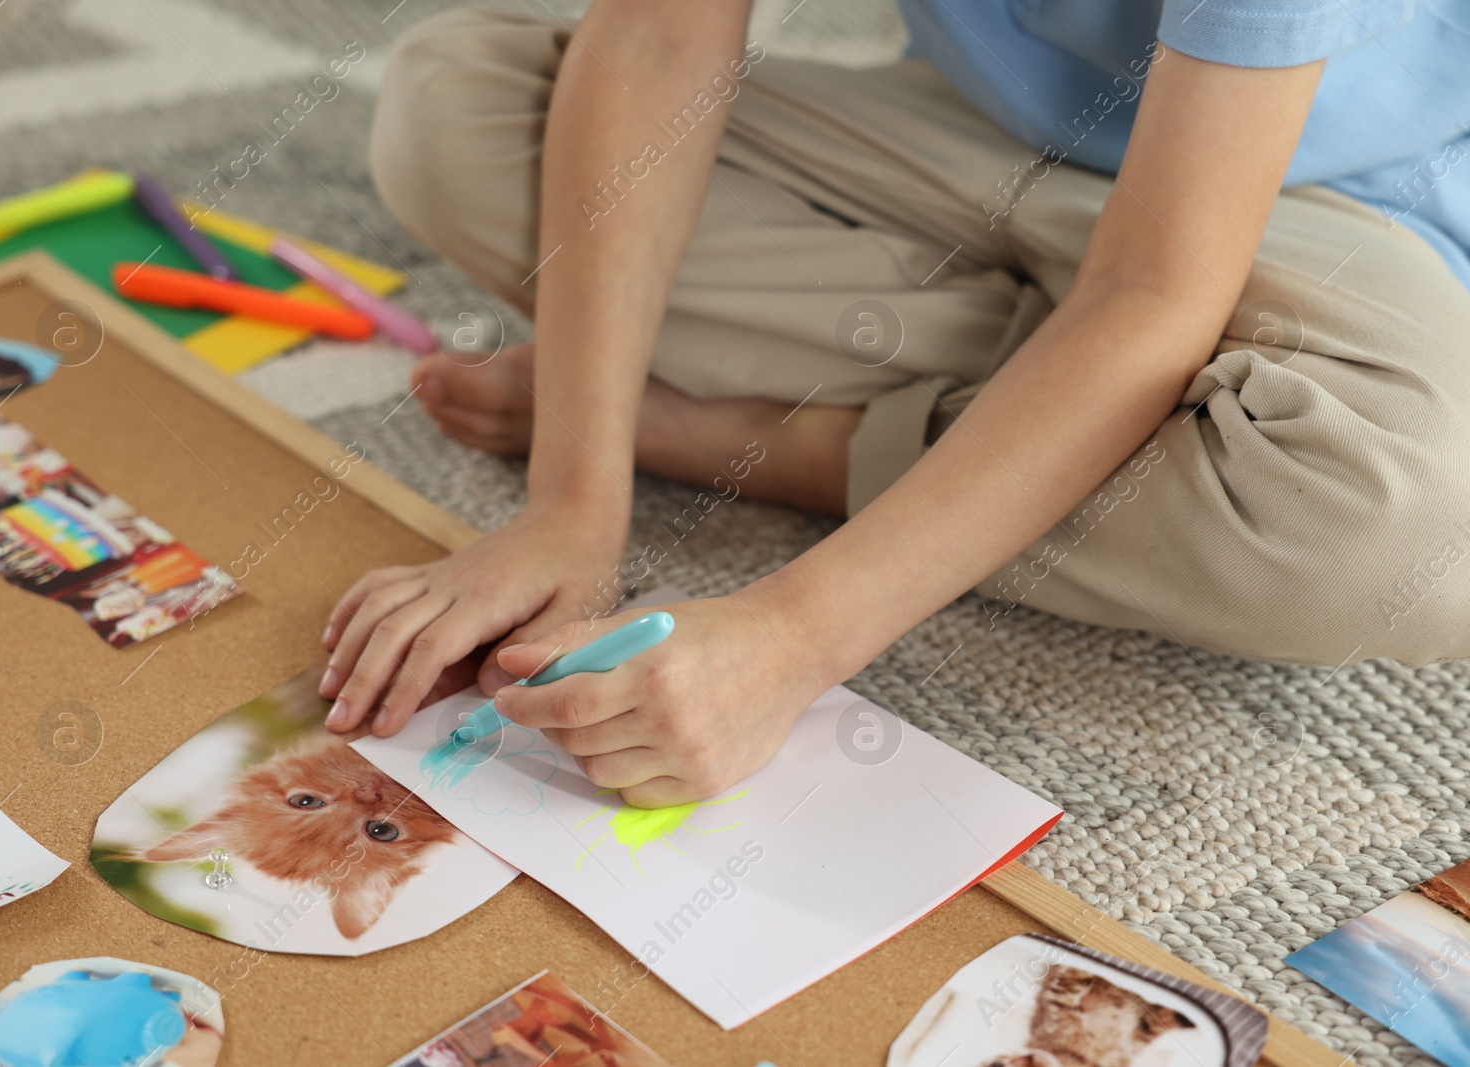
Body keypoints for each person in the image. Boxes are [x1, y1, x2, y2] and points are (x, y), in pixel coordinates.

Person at [322, 0, 1470, 807]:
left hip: (1317, 196)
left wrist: (792, 634)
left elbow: (1150, 284)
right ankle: (1101, 404)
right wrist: (572, 499)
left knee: (1408, 534)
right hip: (975, 140)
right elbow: (661, 35)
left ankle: (795, 441)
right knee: (453, 108)